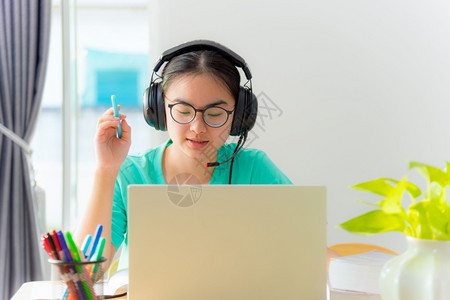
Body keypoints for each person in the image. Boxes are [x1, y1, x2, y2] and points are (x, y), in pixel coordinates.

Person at [75, 40, 292, 271]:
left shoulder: (253, 169)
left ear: (239, 116)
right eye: (183, 111)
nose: (197, 127)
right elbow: (84, 272)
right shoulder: (131, 174)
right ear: (159, 109)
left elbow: (308, 245)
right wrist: (106, 170)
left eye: (215, 113)